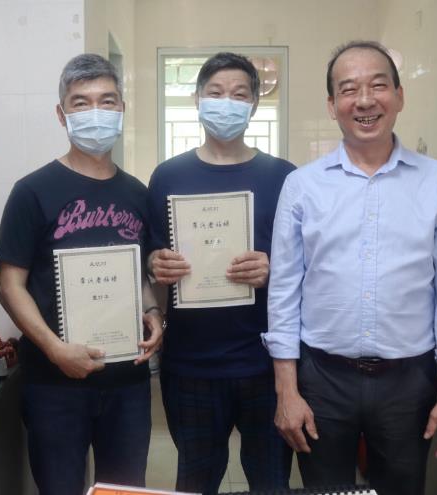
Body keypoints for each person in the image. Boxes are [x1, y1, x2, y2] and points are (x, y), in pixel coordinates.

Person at [264, 40, 437, 495]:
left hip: (409, 381)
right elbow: (283, 292)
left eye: (378, 86)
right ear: (331, 105)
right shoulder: (302, 185)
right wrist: (287, 390)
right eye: (348, 89)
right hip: (322, 379)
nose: (364, 100)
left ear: (399, 96)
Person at [0, 53, 164, 495]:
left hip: (127, 381)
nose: (96, 113)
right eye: (81, 102)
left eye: (107, 101)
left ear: (122, 109)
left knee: (123, 490)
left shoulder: (137, 193)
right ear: (61, 114)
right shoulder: (31, 192)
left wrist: (153, 314)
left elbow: (139, 274)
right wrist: (55, 349)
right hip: (54, 383)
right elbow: (10, 286)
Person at [147, 52, 295, 495]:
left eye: (239, 94)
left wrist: (274, 268)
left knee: (271, 482)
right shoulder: (168, 176)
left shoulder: (284, 177)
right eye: (215, 93)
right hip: (190, 365)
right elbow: (151, 260)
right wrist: (156, 264)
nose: (226, 103)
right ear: (197, 100)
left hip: (266, 363)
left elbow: (308, 266)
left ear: (254, 104)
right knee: (196, 481)